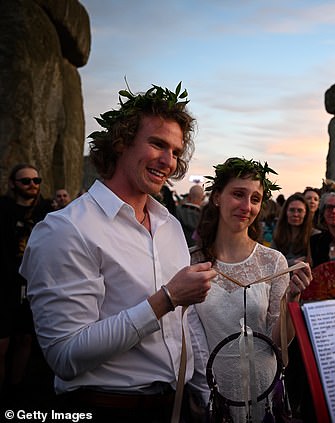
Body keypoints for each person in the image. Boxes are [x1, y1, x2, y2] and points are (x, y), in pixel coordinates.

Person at [19, 83, 216, 422]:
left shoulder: (169, 226)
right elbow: (65, 355)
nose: (168, 161)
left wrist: (203, 393)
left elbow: (184, 325)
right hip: (105, 408)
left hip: (176, 407)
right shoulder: (66, 230)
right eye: (157, 144)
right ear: (121, 141)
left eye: (175, 151)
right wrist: (165, 298)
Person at [186, 157, 312, 422]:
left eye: (255, 198)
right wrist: (198, 386)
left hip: (263, 387)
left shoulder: (272, 261)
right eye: (238, 194)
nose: (247, 206)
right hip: (212, 388)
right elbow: (188, 338)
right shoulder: (191, 261)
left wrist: (292, 300)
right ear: (218, 196)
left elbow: (278, 343)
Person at [0, 163, 52, 404]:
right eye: (26, 181)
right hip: (5, 283)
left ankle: (15, 390)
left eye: (36, 180)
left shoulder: (46, 211)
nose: (33, 185)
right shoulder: (3, 209)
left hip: (34, 283)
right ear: (13, 184)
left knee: (26, 338)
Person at [271, 192, 315, 265]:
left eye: (300, 211)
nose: (295, 214)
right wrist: (293, 262)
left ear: (306, 213)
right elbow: (271, 261)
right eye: (292, 210)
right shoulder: (278, 235)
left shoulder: (314, 236)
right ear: (286, 212)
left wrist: (284, 262)